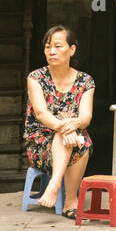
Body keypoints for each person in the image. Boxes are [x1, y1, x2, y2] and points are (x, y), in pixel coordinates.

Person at [24, 25, 95, 219]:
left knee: (82, 142)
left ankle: (66, 197)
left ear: (72, 49)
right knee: (66, 137)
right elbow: (41, 113)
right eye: (48, 47)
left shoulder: (85, 81)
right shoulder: (36, 77)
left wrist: (73, 126)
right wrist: (65, 129)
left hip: (73, 140)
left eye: (57, 46)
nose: (52, 51)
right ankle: (61, 190)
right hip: (40, 143)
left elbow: (86, 117)